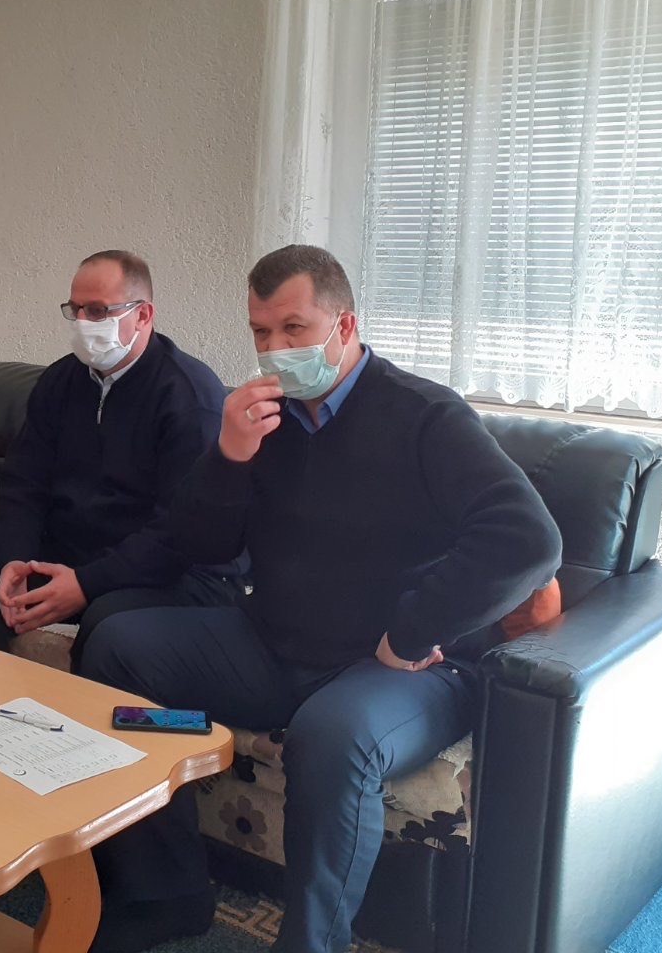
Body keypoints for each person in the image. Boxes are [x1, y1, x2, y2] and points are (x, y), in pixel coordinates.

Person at [79, 245, 563, 953]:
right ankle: (167, 893)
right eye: (261, 332)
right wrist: (229, 456)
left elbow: (528, 538)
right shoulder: (262, 418)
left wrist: (411, 630)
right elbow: (199, 544)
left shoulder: (424, 415)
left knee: (332, 737)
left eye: (294, 329)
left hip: (404, 670)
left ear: (345, 326)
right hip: (275, 647)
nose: (276, 349)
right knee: (117, 649)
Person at [0, 250, 232, 662]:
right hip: (70, 551)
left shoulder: (188, 397)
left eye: (98, 311)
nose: (84, 322)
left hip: (158, 568)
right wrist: (15, 560)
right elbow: (23, 484)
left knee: (109, 623)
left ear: (143, 315)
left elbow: (178, 530)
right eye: (76, 310)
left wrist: (86, 584)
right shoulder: (61, 381)